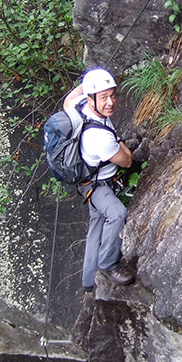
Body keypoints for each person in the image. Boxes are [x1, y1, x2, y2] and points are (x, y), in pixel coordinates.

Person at [63, 68, 136, 291]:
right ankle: (108, 264)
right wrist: (120, 141)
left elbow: (67, 100)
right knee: (116, 214)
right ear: (91, 99)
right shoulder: (100, 137)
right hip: (98, 186)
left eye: (112, 95)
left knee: (96, 226)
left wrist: (91, 83)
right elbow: (126, 161)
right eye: (104, 97)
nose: (110, 102)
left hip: (86, 181)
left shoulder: (77, 108)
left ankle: (88, 282)